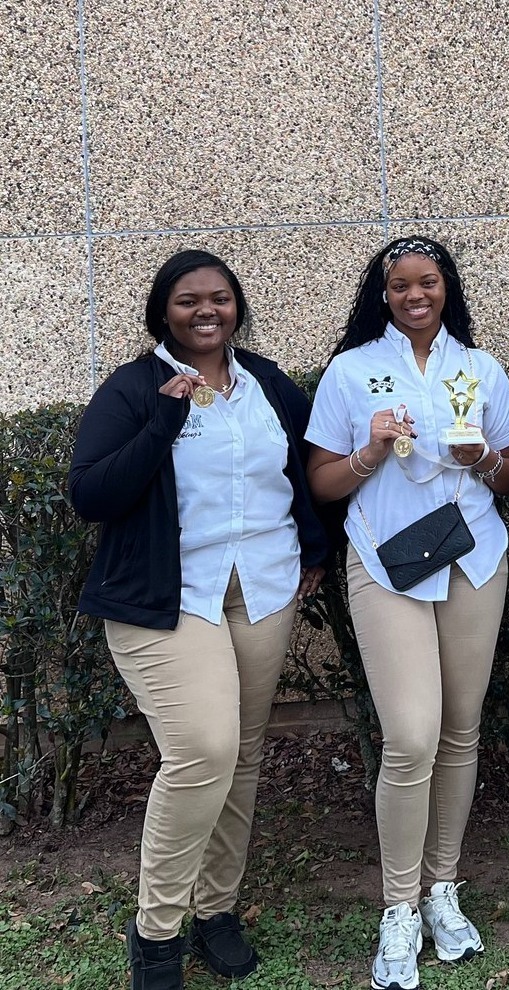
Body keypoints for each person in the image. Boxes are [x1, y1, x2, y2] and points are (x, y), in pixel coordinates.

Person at [69, 250, 328, 989]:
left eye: (219, 297)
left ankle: (217, 908)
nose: (206, 310)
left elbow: (306, 472)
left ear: (237, 306)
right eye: (188, 300)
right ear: (164, 312)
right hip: (167, 598)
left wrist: (314, 546)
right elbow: (91, 494)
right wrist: (164, 419)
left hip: (262, 590)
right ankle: (156, 930)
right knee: (203, 752)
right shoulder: (132, 389)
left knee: (241, 755)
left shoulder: (266, 384)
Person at [306, 236, 509, 990]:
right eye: (399, 285)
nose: (414, 295)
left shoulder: (480, 368)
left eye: (426, 282)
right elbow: (325, 483)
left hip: (473, 560)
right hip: (386, 563)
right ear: (383, 294)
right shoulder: (351, 370)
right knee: (410, 737)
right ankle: (398, 905)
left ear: (445, 287)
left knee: (461, 731)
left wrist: (483, 462)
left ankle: (442, 889)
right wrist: (369, 452)